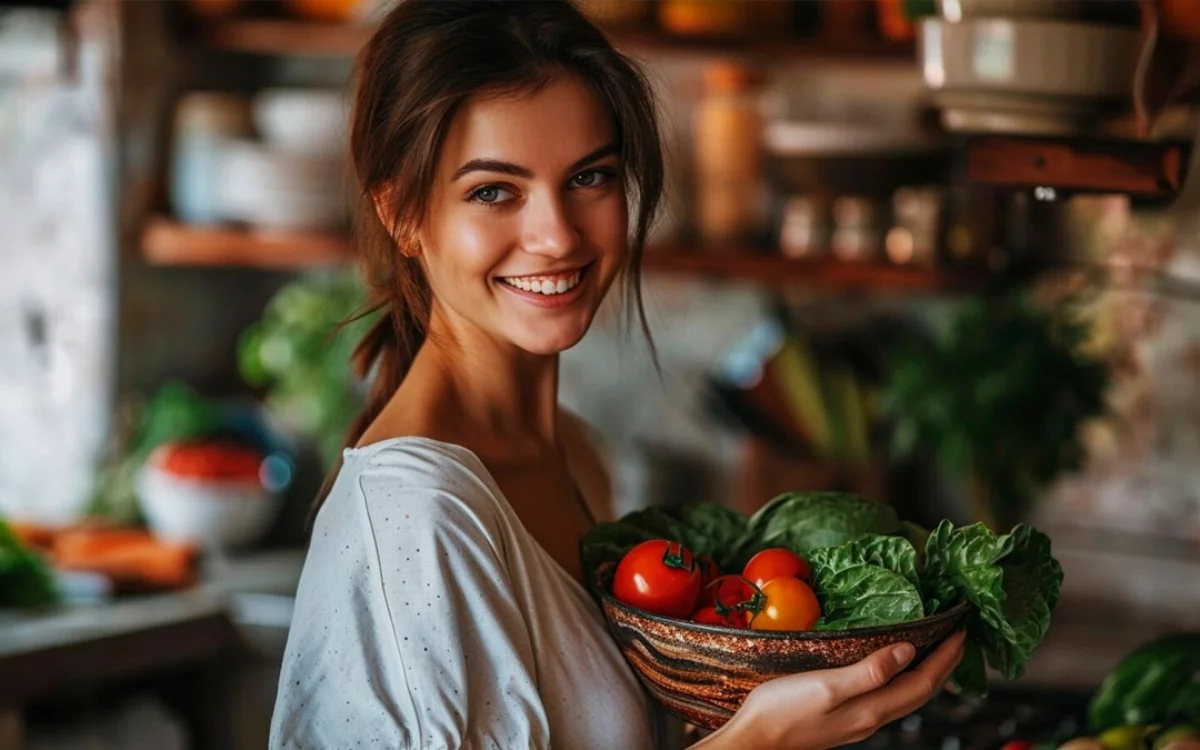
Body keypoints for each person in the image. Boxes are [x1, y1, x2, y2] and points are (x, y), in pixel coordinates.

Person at [269, 2, 965, 748]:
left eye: (590, 177)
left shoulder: (577, 449)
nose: (557, 235)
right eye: (494, 191)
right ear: (401, 212)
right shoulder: (420, 516)